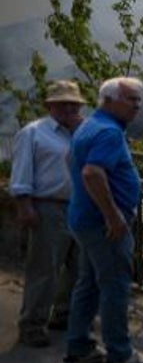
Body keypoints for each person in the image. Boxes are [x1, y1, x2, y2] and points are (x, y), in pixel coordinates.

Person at [61, 77, 143, 363]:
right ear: (109, 100)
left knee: (88, 283)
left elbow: (71, 160)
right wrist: (113, 216)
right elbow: (91, 173)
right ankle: (120, 355)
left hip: (85, 220)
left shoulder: (88, 125)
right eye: (131, 99)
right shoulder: (109, 132)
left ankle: (79, 348)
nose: (137, 106)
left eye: (139, 100)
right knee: (115, 286)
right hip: (104, 226)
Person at [10, 80, 86, 347]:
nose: (69, 108)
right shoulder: (33, 133)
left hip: (79, 207)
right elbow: (21, 172)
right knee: (45, 270)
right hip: (48, 206)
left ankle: (63, 315)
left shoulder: (80, 133)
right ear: (49, 106)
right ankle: (32, 325)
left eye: (74, 104)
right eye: (62, 103)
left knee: (79, 267)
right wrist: (25, 206)